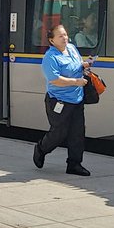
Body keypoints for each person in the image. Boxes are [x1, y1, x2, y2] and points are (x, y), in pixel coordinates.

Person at [33, 23, 91, 176]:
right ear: (52, 40)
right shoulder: (50, 57)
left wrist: (84, 65)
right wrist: (76, 82)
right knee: (58, 133)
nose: (65, 38)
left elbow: (77, 65)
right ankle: (41, 149)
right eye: (60, 36)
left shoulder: (71, 48)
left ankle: (74, 164)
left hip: (77, 99)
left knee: (77, 133)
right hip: (59, 101)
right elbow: (55, 80)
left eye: (65, 34)